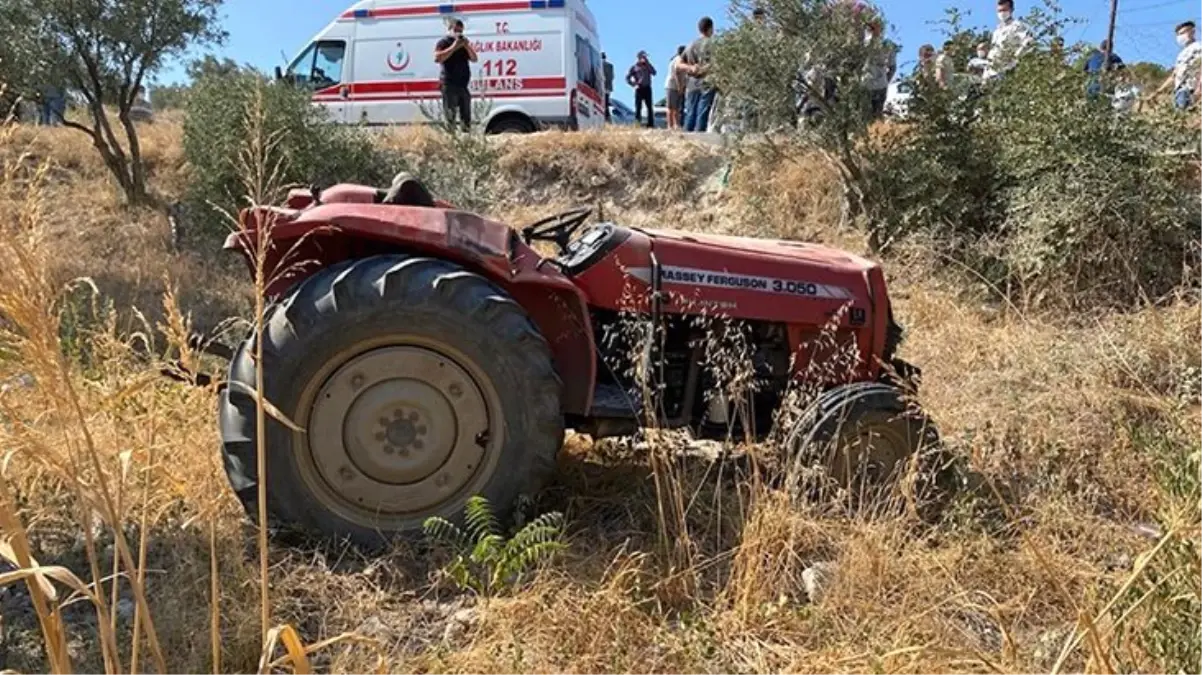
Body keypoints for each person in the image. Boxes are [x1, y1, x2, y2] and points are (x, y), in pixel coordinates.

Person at [434, 19, 478, 131]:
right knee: (450, 116)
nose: (458, 33)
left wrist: (466, 45)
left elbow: (474, 58)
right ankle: (451, 138)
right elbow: (438, 58)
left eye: (461, 31)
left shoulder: (463, 44)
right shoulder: (443, 42)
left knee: (466, 116)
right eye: (456, 30)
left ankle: (466, 137)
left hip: (463, 85)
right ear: (449, 30)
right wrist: (454, 46)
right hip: (449, 84)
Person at [682, 16, 718, 133]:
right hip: (707, 81)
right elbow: (716, 62)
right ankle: (699, 140)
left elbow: (679, 64)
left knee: (691, 112)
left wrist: (691, 67)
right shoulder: (713, 44)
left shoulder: (691, 45)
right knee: (702, 112)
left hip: (692, 83)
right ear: (711, 28)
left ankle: (687, 139)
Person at [1156, 21, 1202, 110]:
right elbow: (1174, 75)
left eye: (1183, 33)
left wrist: (1199, 88)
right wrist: (1159, 91)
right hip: (1178, 91)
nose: (1181, 36)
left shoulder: (1198, 47)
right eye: (1178, 34)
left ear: (1192, 32)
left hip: (1190, 88)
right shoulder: (1181, 54)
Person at [984, 0, 1033, 81]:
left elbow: (1028, 41)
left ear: (1011, 10)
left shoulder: (1017, 26)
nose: (1002, 13)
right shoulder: (997, 31)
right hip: (991, 73)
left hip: (1006, 71)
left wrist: (1015, 59)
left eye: (1004, 10)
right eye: (999, 11)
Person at [863, 19, 896, 119]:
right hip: (865, 84)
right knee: (864, 115)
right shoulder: (864, 44)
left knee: (877, 115)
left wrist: (885, 81)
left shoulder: (887, 45)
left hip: (880, 85)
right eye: (872, 27)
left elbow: (892, 67)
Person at [626, 51, 657, 128]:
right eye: (643, 57)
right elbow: (627, 77)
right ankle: (637, 124)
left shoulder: (647, 66)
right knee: (638, 107)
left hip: (647, 88)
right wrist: (633, 84)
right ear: (639, 58)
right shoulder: (634, 67)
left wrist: (648, 63)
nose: (644, 58)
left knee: (649, 107)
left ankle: (650, 124)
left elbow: (654, 72)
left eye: (645, 57)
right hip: (639, 89)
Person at [665, 45, 687, 130]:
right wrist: (679, 86)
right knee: (671, 107)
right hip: (672, 85)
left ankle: (676, 125)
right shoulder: (677, 59)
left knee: (677, 107)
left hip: (676, 86)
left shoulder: (679, 59)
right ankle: (670, 125)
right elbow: (676, 73)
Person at [601, 52, 615, 121]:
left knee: (603, 104)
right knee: (606, 103)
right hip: (608, 87)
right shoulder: (610, 66)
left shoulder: (599, 65)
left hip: (602, 87)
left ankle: (606, 118)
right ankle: (608, 118)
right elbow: (612, 77)